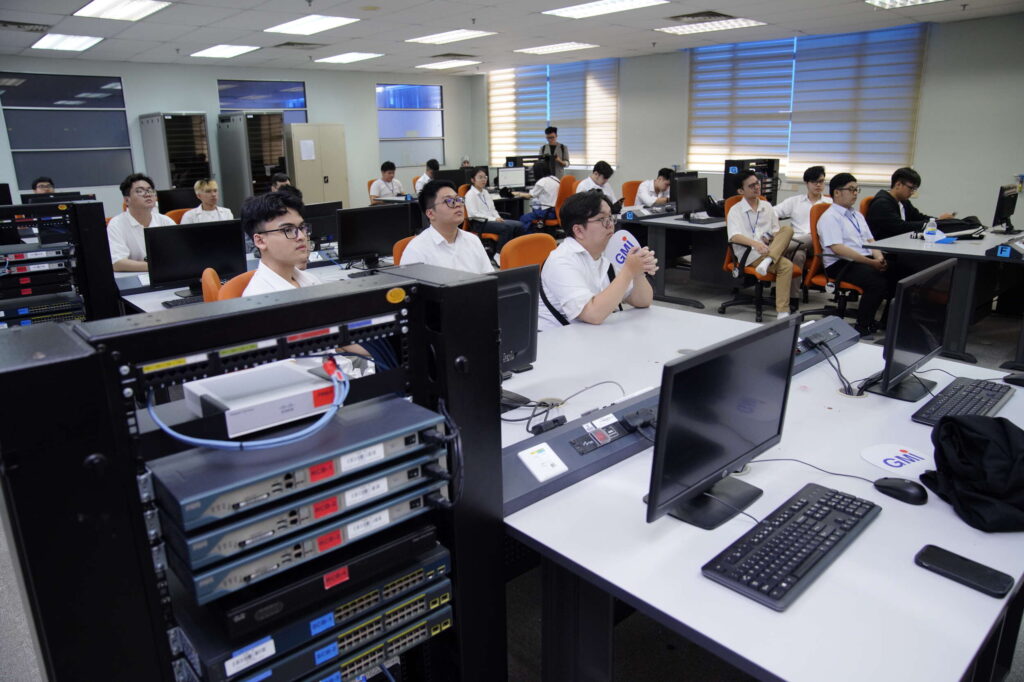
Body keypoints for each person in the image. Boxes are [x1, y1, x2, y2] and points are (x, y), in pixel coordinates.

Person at [538, 191, 657, 331]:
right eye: (602, 219)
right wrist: (629, 271)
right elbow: (592, 314)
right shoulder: (561, 261)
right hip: (558, 338)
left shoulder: (607, 253)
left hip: (593, 334)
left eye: (610, 217)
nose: (610, 224)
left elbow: (643, 301)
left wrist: (638, 272)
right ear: (579, 230)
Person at [818, 173, 896, 337]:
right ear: (837, 192)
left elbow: (870, 240)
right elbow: (838, 248)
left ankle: (886, 322)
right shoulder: (830, 217)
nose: (855, 193)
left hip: (862, 259)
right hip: (840, 263)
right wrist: (870, 262)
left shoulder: (857, 215)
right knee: (876, 282)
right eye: (851, 189)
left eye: (856, 189)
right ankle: (862, 325)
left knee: (898, 272)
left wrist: (879, 258)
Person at [725, 170, 796, 318]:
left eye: (757, 183)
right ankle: (783, 311)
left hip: (769, 249)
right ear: (741, 191)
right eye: (751, 186)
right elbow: (734, 236)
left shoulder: (767, 206)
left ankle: (768, 260)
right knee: (786, 265)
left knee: (787, 230)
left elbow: (776, 231)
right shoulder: (735, 210)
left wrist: (768, 237)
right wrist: (755, 244)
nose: (757, 187)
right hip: (750, 253)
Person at [401, 180, 493, 275]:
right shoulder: (416, 250)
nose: (458, 204)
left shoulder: (473, 240)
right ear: (430, 213)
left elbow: (490, 278)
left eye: (458, 199)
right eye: (449, 201)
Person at [240, 191, 320, 296]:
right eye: (287, 230)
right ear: (260, 241)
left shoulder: (311, 280)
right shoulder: (259, 297)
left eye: (301, 227)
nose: (301, 236)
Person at [107, 173, 176, 272]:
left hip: (165, 274)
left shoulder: (165, 221)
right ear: (127, 200)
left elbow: (178, 253)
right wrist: (157, 266)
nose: (147, 194)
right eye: (139, 191)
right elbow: (117, 263)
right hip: (133, 277)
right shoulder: (116, 224)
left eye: (150, 190)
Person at [866, 167, 955, 240]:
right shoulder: (882, 203)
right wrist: (932, 223)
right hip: (884, 248)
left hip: (899, 243)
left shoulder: (903, 201)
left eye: (914, 189)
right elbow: (900, 227)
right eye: (911, 188)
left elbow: (918, 217)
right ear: (898, 185)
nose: (912, 192)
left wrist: (938, 220)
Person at [773, 165, 831, 278]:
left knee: (813, 235)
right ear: (806, 183)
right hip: (797, 243)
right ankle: (795, 291)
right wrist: (776, 230)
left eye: (821, 181)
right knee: (797, 256)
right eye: (814, 182)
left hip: (818, 243)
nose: (818, 185)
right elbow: (772, 212)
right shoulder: (795, 201)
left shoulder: (830, 204)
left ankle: (772, 252)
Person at [464, 167, 528, 250]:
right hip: (479, 223)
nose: (483, 180)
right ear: (473, 180)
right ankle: (499, 253)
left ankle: (517, 250)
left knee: (519, 225)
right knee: (506, 228)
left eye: (485, 177)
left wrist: (498, 218)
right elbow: (474, 214)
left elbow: (492, 209)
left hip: (491, 221)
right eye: (480, 177)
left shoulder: (485, 192)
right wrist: (494, 219)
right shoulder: (470, 195)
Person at [518, 160, 561, 229]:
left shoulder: (541, 182)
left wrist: (517, 193)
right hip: (557, 211)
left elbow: (530, 195)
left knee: (523, 218)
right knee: (535, 206)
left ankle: (530, 234)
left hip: (548, 213)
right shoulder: (555, 179)